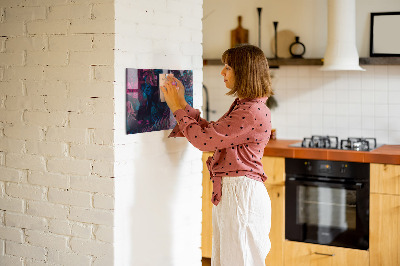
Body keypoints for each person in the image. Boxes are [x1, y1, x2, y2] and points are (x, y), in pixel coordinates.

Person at [161, 44, 273, 266]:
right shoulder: (246, 106)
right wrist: (182, 103)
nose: (222, 72)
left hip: (241, 195)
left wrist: (176, 107)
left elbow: (204, 141)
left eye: (228, 67)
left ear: (244, 72)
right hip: (236, 193)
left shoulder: (250, 111)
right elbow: (212, 133)